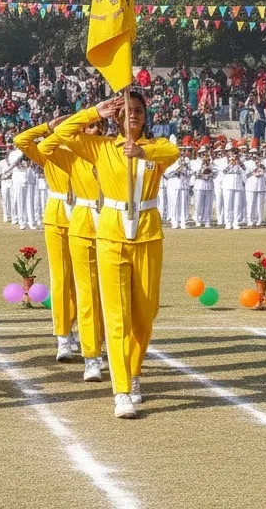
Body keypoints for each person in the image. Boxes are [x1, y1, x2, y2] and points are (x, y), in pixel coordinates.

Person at [49, 93, 179, 419]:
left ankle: (134, 373)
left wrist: (142, 150)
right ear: (117, 118)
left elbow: (173, 152)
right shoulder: (102, 147)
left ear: (145, 117)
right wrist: (95, 111)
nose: (133, 116)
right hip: (110, 235)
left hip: (148, 235)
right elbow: (62, 135)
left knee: (145, 314)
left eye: (138, 111)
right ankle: (121, 389)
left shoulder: (157, 148)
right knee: (117, 315)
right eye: (127, 111)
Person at [39, 118, 107, 383]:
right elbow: (37, 145)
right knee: (74, 285)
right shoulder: (69, 157)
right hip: (76, 221)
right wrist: (54, 126)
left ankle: (103, 341)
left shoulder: (109, 151)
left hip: (110, 225)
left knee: (107, 293)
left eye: (101, 126)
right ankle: (73, 342)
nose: (97, 130)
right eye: (92, 126)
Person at [15, 116, 80, 361]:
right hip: (57, 218)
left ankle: (84, 330)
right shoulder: (50, 151)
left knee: (85, 282)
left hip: (87, 218)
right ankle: (63, 336)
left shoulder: (89, 148)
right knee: (62, 280)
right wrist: (49, 127)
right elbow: (21, 140)